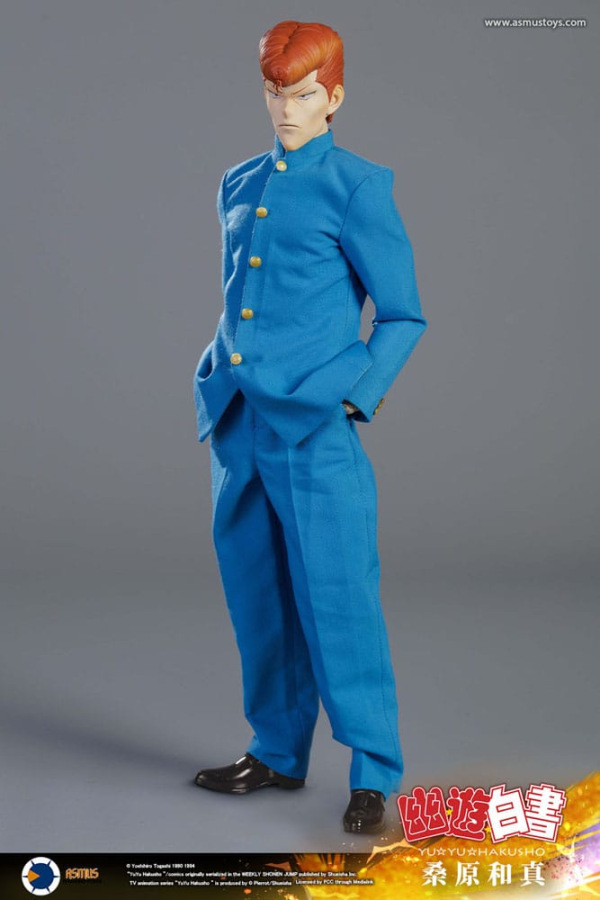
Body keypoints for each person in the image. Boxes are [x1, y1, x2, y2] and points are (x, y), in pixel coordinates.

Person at [192, 19, 427, 833]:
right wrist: (216, 370)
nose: (285, 109)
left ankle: (373, 772)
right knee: (257, 597)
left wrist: (353, 397)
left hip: (316, 428)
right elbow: (242, 293)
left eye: (301, 95)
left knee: (339, 600)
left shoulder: (358, 187)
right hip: (240, 423)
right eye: (274, 92)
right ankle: (276, 751)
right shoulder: (238, 180)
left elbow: (401, 313)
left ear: (334, 97)